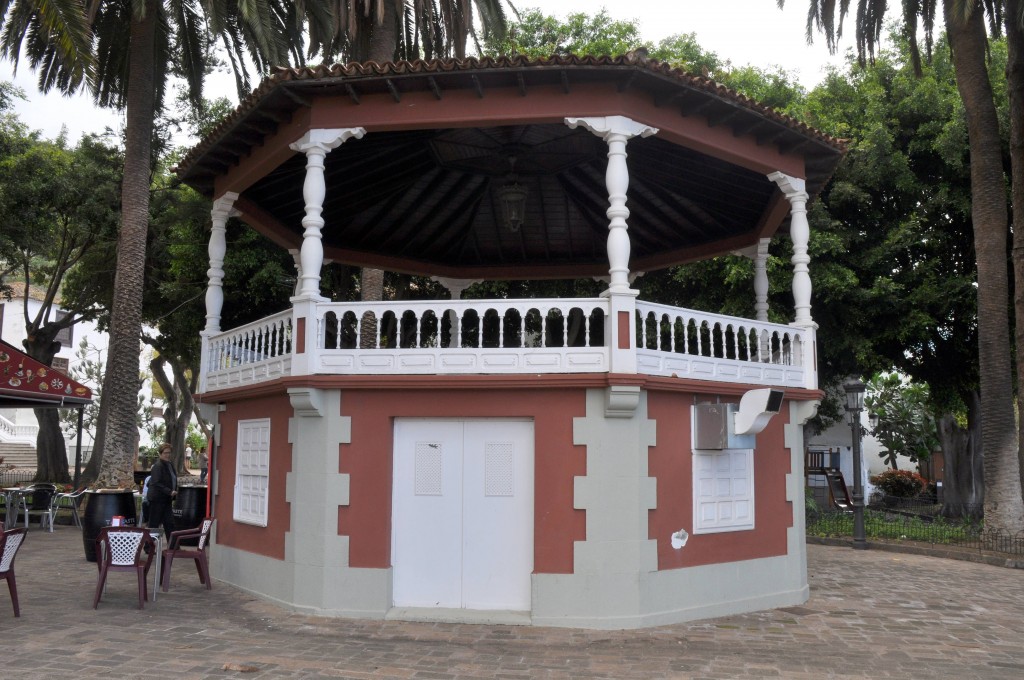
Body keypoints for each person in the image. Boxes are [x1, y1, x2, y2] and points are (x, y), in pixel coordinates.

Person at [147, 442, 177, 541]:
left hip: (166, 499)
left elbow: (172, 479)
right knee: (154, 524)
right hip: (157, 499)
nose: (168, 455)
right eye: (165, 453)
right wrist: (169, 491)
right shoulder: (158, 466)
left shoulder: (170, 464)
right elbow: (156, 483)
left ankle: (173, 546)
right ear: (160, 454)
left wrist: (173, 492)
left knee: (170, 523)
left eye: (169, 452)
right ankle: (148, 546)